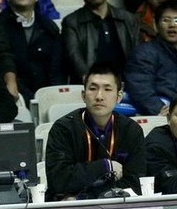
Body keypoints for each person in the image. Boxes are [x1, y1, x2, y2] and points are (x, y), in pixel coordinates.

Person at [45, 61, 145, 200]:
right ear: (83, 95)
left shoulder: (131, 130)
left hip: (112, 207)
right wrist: (105, 166)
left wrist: (85, 198)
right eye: (93, 88)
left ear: (119, 96)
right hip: (67, 208)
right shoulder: (63, 129)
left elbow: (135, 184)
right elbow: (58, 180)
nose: (99, 96)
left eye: (107, 89)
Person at [124, 0, 177, 116]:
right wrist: (165, 111)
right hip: (153, 115)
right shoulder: (144, 53)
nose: (172, 25)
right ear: (155, 26)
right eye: (166, 20)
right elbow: (140, 89)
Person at [0, 0, 65, 106]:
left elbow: (56, 73)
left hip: (48, 99)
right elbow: (1, 61)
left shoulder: (49, 27)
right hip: (12, 98)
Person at [61, 0, 139, 83]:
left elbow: (137, 54)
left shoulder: (127, 18)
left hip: (125, 83)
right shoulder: (72, 21)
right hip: (90, 84)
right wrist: (88, 79)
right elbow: (73, 54)